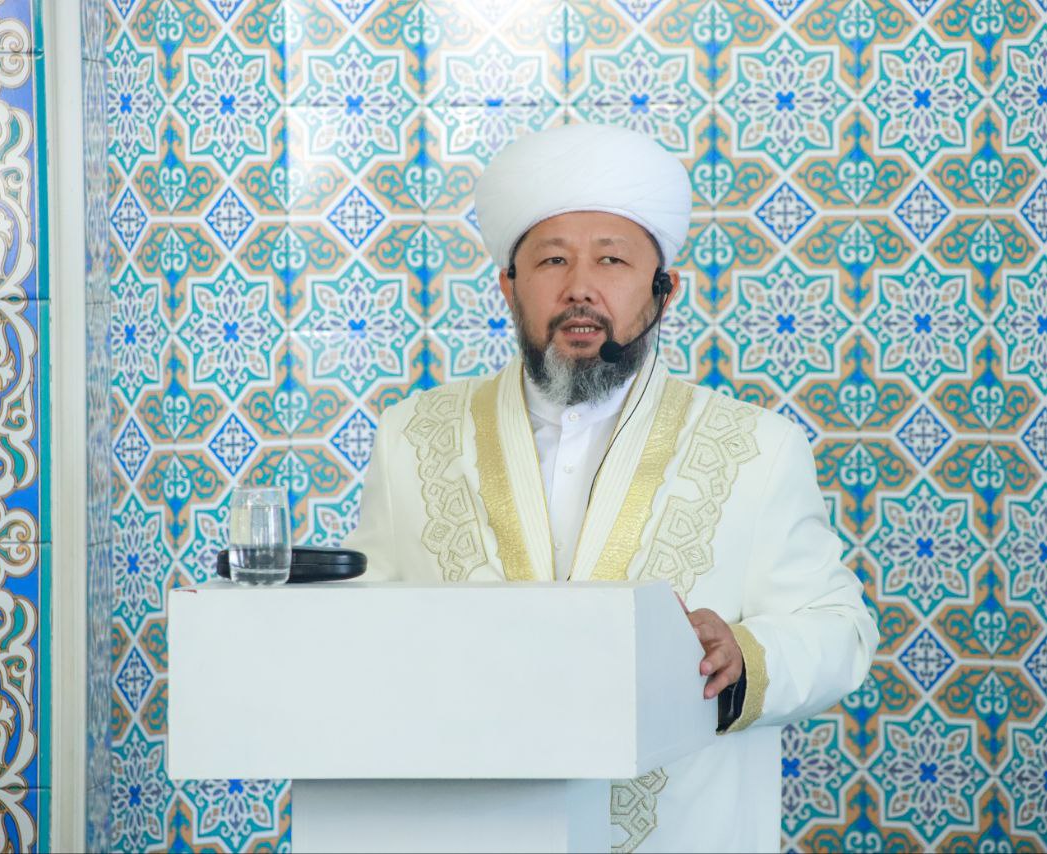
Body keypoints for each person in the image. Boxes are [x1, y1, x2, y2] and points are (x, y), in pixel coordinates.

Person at [344, 123, 879, 853]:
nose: (579, 288)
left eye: (613, 259)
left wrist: (745, 655)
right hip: (468, 827)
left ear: (664, 291)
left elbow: (839, 628)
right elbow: (365, 622)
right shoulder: (413, 435)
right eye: (552, 260)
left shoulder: (758, 447)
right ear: (509, 286)